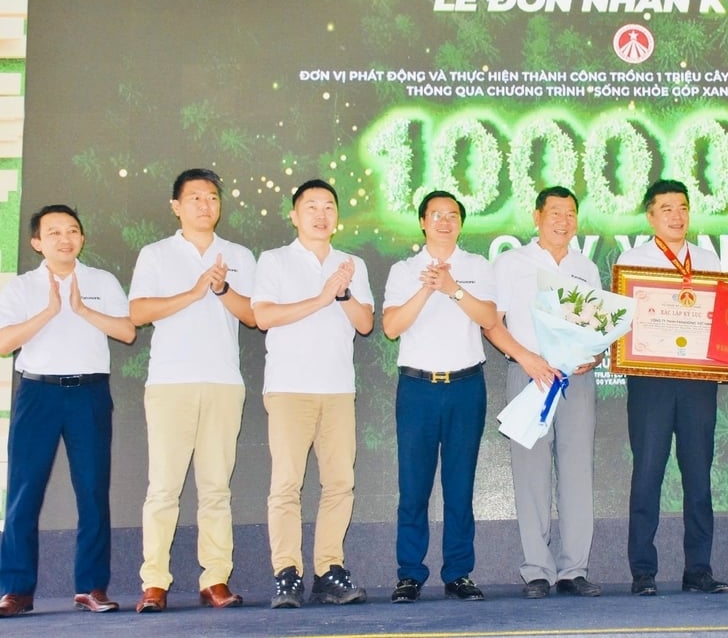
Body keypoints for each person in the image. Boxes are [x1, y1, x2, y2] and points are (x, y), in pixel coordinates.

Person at [129, 169, 256, 613]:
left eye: (213, 197)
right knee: (163, 488)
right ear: (176, 206)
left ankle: (215, 578)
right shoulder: (156, 254)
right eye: (196, 197)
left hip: (223, 382)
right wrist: (195, 289)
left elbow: (253, 316)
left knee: (216, 488)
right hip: (169, 383)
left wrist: (221, 288)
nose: (206, 204)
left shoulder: (238, 254)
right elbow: (139, 311)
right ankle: (154, 583)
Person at [0, 205, 135, 618]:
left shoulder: (102, 281)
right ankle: (16, 589)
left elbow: (127, 332)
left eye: (73, 230)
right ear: (37, 242)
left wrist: (81, 309)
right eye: (54, 232)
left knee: (93, 491)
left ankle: (91, 587)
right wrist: (48, 312)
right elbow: (4, 342)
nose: (65, 238)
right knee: (24, 492)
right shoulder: (20, 287)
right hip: (38, 394)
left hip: (89, 393)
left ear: (82, 238)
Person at [252, 179, 374, 608]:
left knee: (340, 483)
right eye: (311, 207)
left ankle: (328, 570)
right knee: (286, 484)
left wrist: (340, 292)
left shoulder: (351, 263)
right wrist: (322, 296)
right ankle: (287, 573)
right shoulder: (275, 260)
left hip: (338, 389)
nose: (321, 214)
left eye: (328, 207)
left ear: (337, 217)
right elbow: (263, 316)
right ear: (295, 215)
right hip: (289, 389)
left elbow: (364, 324)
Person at [484, 186, 603, 599]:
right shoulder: (509, 263)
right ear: (537, 217)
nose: (563, 220)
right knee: (531, 475)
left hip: (576, 380)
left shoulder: (585, 267)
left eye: (570, 213)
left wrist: (594, 357)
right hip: (529, 376)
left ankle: (574, 569)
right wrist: (527, 358)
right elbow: (491, 324)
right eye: (555, 212)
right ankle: (537, 569)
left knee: (577, 472)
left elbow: (596, 330)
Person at [383, 190, 497, 603]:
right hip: (417, 388)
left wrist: (452, 288)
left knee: (459, 485)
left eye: (452, 215)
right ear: (423, 222)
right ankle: (410, 574)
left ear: (461, 224)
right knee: (413, 486)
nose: (444, 222)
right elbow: (392, 327)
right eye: (436, 215)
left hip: (466, 386)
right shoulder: (403, 270)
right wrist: (427, 289)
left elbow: (489, 319)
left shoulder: (477, 266)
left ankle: (458, 573)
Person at [616, 179, 728, 596]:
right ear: (650, 215)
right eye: (667, 209)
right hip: (651, 381)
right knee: (647, 473)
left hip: (698, 381)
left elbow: (725, 317)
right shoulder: (633, 260)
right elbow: (621, 322)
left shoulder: (709, 260)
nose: (677, 216)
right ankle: (643, 570)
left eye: (682, 207)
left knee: (698, 475)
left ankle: (698, 568)